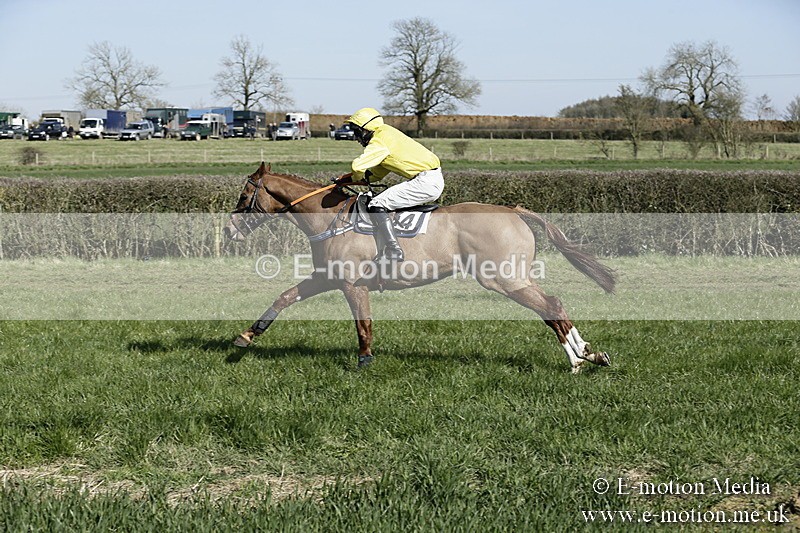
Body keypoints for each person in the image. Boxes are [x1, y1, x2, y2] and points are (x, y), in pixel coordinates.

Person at [336, 107, 442, 263]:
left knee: (376, 203)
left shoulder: (379, 140)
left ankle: (394, 251)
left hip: (425, 182)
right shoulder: (386, 134)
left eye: (356, 132)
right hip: (428, 178)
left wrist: (352, 176)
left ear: (365, 129)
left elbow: (358, 167)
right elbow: (375, 174)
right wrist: (348, 179)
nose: (356, 138)